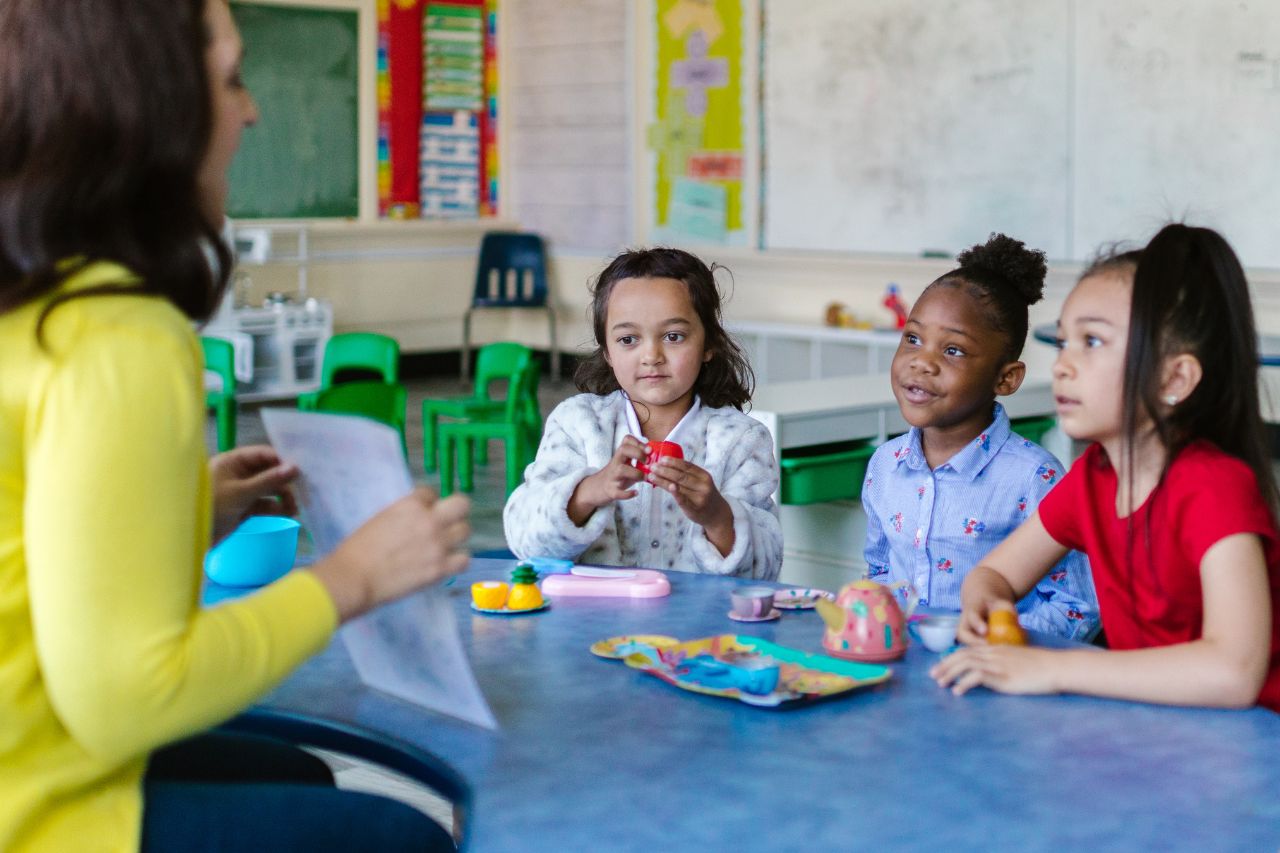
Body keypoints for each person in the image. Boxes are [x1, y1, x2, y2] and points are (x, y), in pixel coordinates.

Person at [0, 1, 471, 850]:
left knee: (305, 773)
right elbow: (124, 697)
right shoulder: (121, 335)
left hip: (29, 752)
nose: (252, 110)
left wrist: (186, 508)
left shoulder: (35, 300)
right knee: (406, 836)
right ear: (150, 109)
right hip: (39, 812)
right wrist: (351, 578)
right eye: (232, 79)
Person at [933, 224, 1280, 711]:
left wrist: (1054, 669)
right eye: (1063, 343)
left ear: (1174, 378)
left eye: (1092, 342)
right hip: (1159, 733)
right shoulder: (1094, 478)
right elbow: (994, 574)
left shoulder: (1215, 487)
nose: (1062, 366)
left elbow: (1233, 673)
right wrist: (984, 603)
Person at [861, 234, 1098, 639]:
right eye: (913, 339)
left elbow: (1077, 610)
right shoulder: (885, 465)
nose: (922, 363)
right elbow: (880, 573)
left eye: (952, 350)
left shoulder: (1034, 478)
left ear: (1006, 378)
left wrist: (988, 639)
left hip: (995, 677)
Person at [504, 248, 782, 579]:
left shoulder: (741, 440)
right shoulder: (577, 424)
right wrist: (589, 490)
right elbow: (524, 541)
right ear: (606, 350)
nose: (651, 355)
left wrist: (718, 517)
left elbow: (766, 569)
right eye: (628, 339)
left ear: (709, 344)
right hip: (590, 624)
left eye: (674, 336)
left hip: (696, 627)